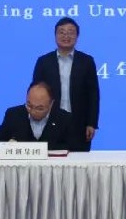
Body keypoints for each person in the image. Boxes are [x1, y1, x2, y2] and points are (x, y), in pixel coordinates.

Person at [32, 17, 100, 151]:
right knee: (50, 160)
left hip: (79, 122)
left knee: (79, 161)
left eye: (70, 32)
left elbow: (93, 95)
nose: (66, 36)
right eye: (62, 32)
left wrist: (91, 123)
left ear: (77, 36)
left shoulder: (86, 61)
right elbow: (35, 91)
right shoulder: (44, 61)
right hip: (49, 121)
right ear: (55, 35)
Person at [0, 81, 75, 151]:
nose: (33, 111)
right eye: (29, 106)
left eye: (39, 108)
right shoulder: (14, 115)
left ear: (51, 104)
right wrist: (10, 146)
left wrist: (39, 149)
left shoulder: (64, 118)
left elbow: (73, 147)